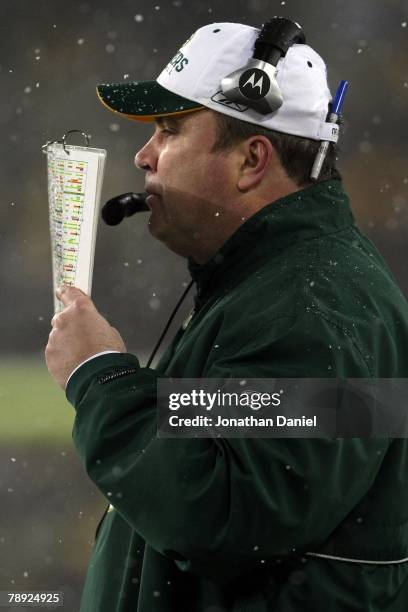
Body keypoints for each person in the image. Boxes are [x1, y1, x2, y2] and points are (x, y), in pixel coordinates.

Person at [46, 20, 408, 612]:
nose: (143, 156)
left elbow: (223, 511)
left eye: (168, 131)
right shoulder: (279, 290)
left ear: (251, 160)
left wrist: (101, 376)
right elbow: (216, 441)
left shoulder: (316, 306)